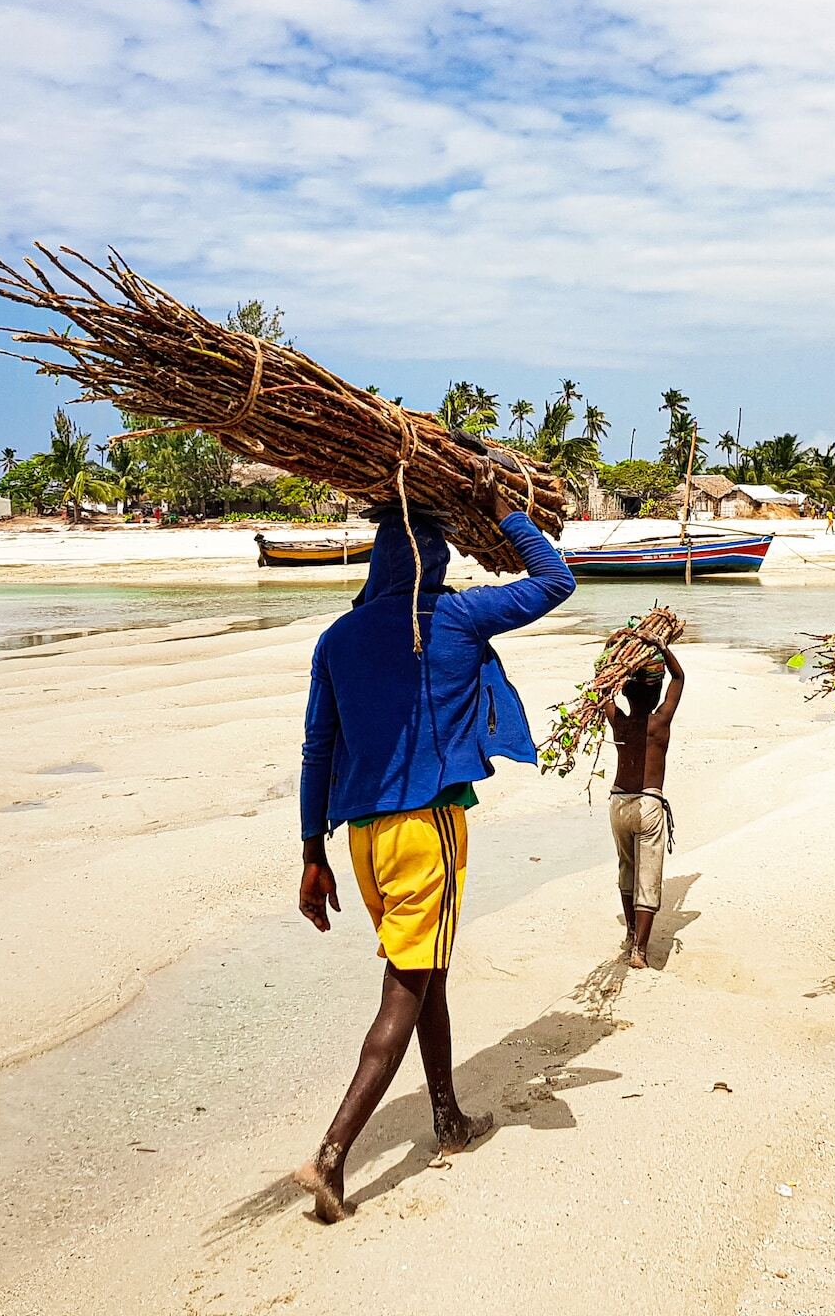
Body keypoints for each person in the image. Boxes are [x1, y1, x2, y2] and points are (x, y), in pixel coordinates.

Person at [293, 461, 575, 1223]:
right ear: (437, 561)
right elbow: (556, 582)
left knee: (429, 970)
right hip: (428, 831)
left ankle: (447, 1118)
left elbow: (318, 750)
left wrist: (312, 856)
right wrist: (511, 514)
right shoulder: (452, 617)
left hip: (360, 840)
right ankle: (332, 1157)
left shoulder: (338, 637)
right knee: (404, 994)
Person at [607, 638, 685, 968]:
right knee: (648, 876)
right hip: (649, 806)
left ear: (626, 692)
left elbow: (602, 691)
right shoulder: (660, 723)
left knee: (627, 869)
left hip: (619, 804)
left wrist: (615, 656)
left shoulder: (620, 722)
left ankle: (629, 933)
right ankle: (639, 950)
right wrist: (662, 647)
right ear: (655, 695)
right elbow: (679, 679)